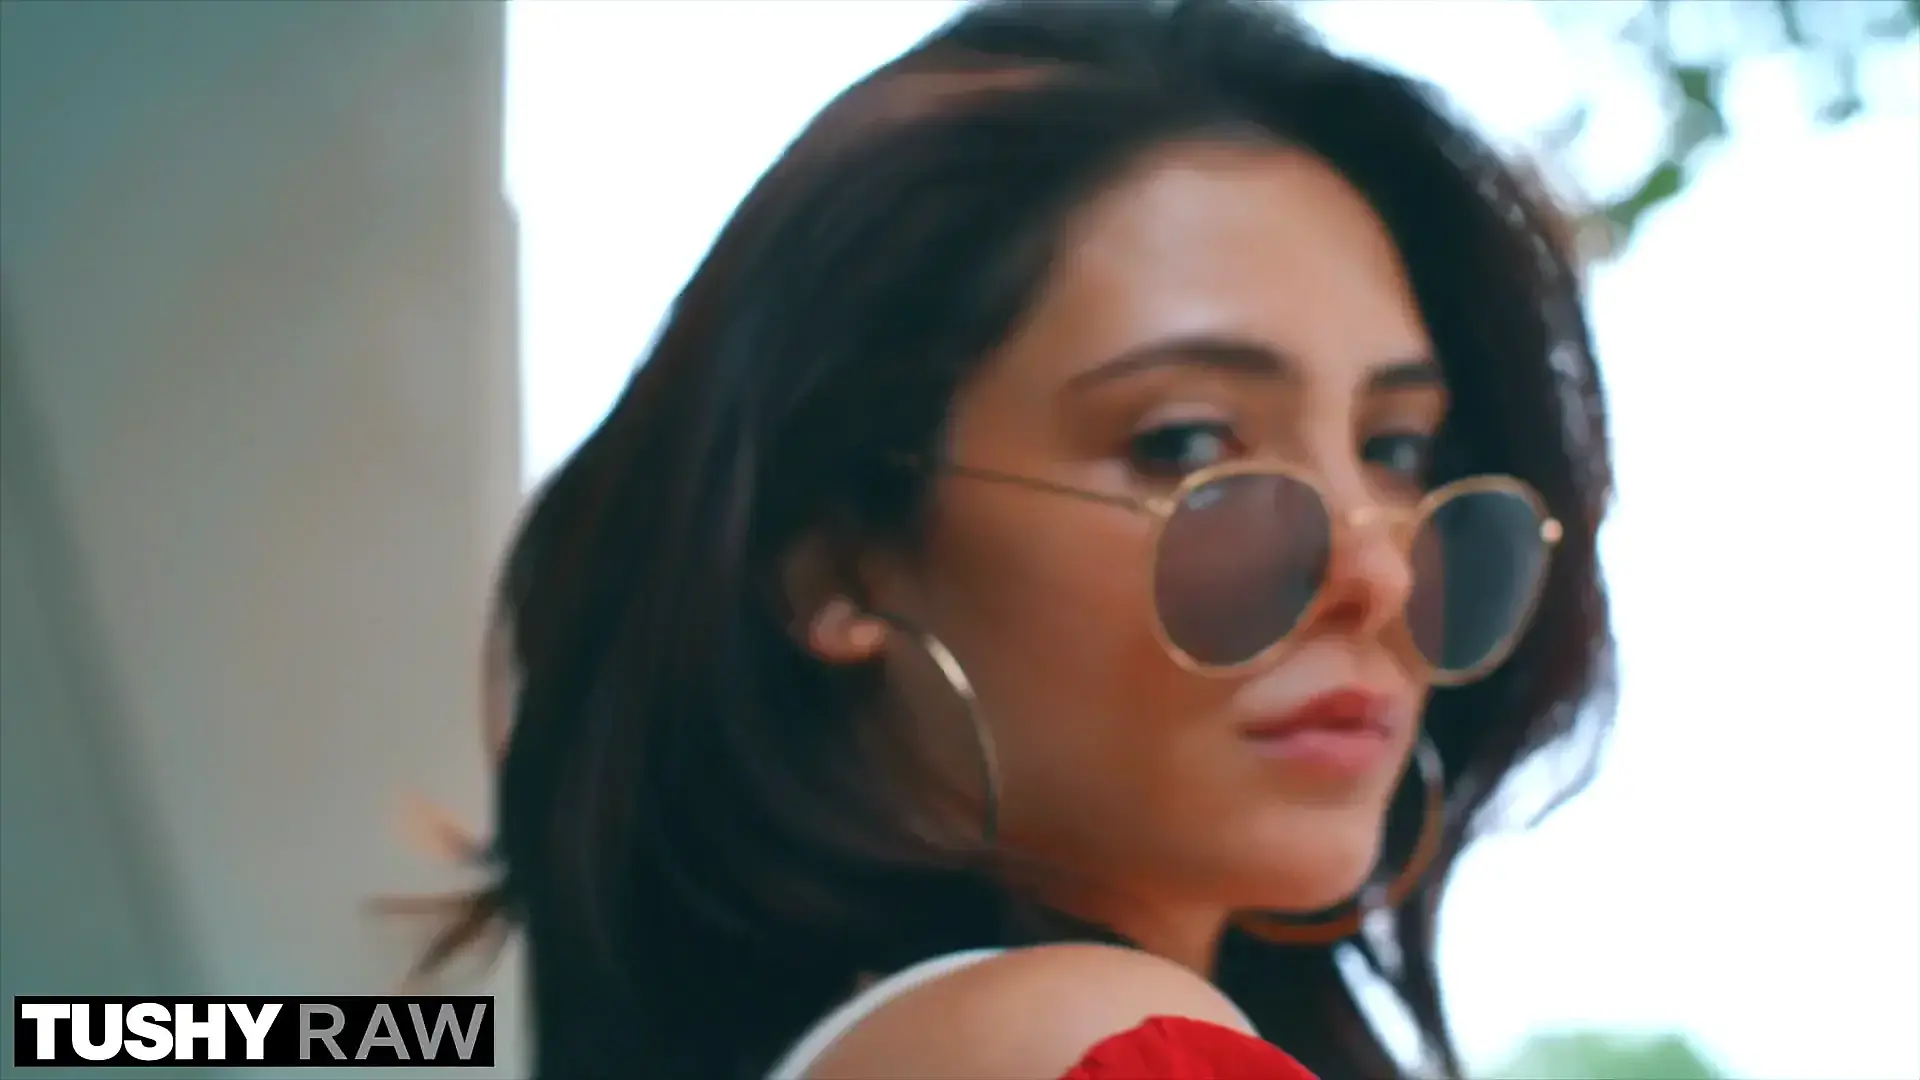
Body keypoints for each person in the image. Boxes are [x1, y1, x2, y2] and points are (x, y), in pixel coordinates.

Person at [415, 0, 1617, 1076]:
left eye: (1397, 449)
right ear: (837, 562)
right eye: (1187, 444)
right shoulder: (1096, 1046)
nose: (1378, 569)